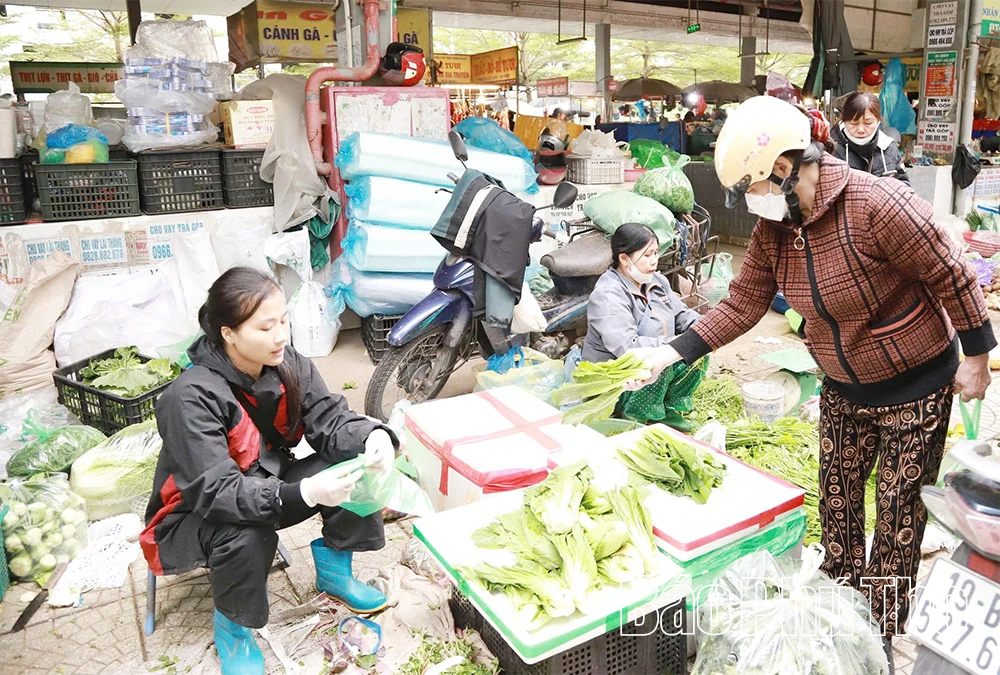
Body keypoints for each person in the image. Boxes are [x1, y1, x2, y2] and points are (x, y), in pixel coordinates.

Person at [628, 96, 995, 671]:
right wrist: (670, 352)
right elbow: (744, 302)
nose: (751, 201)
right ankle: (840, 626)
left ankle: (877, 643)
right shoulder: (776, 228)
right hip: (844, 388)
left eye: (752, 186)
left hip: (916, 384)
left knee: (897, 523)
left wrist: (976, 355)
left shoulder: (877, 203)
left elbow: (950, 272)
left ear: (784, 166)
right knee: (839, 510)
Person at [140, 267, 399, 675]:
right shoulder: (189, 397)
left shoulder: (287, 363)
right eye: (265, 327)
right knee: (246, 531)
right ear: (228, 333)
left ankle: (335, 572)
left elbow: (329, 418)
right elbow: (215, 493)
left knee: (353, 463)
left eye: (283, 321)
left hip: (265, 485)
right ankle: (234, 630)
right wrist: (305, 492)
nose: (280, 336)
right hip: (194, 515)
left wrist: (373, 436)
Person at [582, 223, 705, 432]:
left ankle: (668, 408)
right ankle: (636, 415)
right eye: (647, 255)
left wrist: (705, 327)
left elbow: (681, 314)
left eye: (656, 252)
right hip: (617, 378)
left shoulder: (657, 281)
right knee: (655, 359)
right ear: (624, 258)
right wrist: (673, 345)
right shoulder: (608, 294)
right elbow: (628, 347)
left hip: (656, 364)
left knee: (700, 345)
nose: (654, 260)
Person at [830, 91, 909, 184]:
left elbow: (904, 185)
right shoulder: (830, 148)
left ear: (878, 121)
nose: (860, 130)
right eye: (853, 123)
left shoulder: (889, 148)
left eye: (868, 123)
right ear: (844, 121)